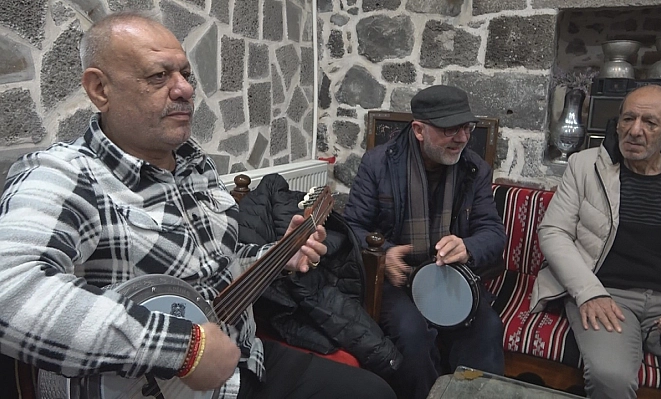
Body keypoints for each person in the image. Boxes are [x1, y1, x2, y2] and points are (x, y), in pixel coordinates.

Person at [0, 11, 395, 399]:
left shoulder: (195, 164)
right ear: (100, 89)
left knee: (375, 391)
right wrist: (183, 349)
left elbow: (216, 266)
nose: (186, 90)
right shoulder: (64, 175)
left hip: (245, 358)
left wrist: (277, 256)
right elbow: (11, 291)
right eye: (159, 76)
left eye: (185, 75)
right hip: (157, 384)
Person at [531, 84, 661, 399]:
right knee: (610, 377)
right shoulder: (585, 166)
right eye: (628, 119)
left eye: (649, 123)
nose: (635, 131)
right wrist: (588, 293)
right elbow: (553, 231)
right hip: (606, 295)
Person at [343, 84, 507, 399]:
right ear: (419, 130)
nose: (462, 138)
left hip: (451, 275)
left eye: (467, 127)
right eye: (450, 129)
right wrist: (384, 254)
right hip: (398, 278)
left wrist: (468, 247)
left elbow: (493, 234)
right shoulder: (378, 164)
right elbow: (352, 226)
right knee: (411, 334)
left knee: (486, 329)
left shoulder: (475, 169)